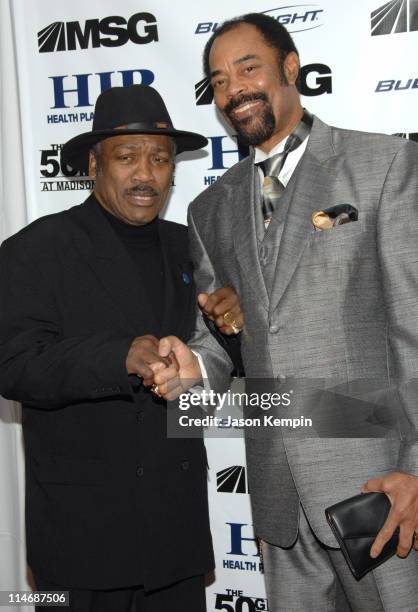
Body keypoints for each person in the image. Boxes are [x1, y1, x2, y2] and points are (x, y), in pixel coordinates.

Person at [150, 13, 418, 611]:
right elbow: (220, 339)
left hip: (379, 483)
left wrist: (416, 470)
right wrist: (194, 366)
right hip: (278, 494)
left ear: (291, 68)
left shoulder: (382, 167)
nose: (234, 89)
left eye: (249, 68)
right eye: (219, 80)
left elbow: (414, 329)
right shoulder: (210, 207)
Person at [0, 84, 243, 612]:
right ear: (94, 164)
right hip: (83, 537)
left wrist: (233, 327)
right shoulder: (37, 250)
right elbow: (14, 366)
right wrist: (117, 357)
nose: (145, 173)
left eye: (160, 159)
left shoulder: (189, 247)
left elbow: (220, 359)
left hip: (175, 532)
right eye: (127, 157)